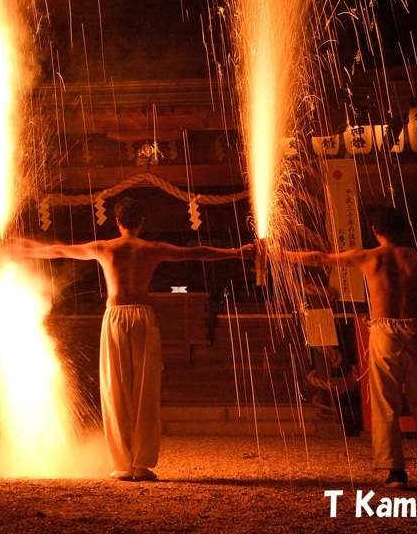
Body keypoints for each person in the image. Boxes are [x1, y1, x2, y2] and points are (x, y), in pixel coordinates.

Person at [13, 197, 254, 481]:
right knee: (144, 391)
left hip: (115, 316)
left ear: (116, 222)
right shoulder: (151, 248)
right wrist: (236, 252)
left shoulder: (104, 248)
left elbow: (59, 250)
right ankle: (139, 464)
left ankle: (123, 465)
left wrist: (21, 249)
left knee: (115, 389)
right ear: (141, 223)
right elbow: (195, 253)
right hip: (141, 317)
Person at [283, 204, 417, 491]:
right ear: (405, 229)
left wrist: (281, 254)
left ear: (374, 231)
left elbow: (322, 258)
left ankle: (395, 473)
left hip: (384, 331)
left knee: (385, 403)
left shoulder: (368, 257)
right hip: (416, 329)